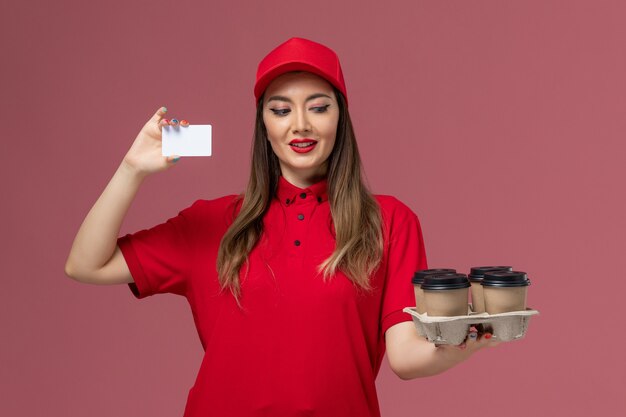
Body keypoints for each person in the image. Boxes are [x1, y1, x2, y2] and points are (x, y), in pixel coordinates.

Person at [65, 37, 498, 417]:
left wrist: (475, 334)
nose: (300, 125)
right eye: (281, 109)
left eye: (319, 107)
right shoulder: (213, 222)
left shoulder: (388, 221)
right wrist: (131, 170)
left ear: (340, 119)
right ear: (264, 125)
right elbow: (86, 264)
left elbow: (404, 357)